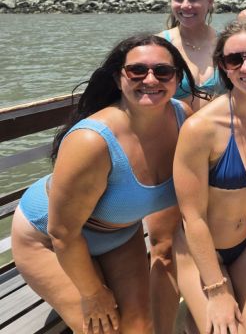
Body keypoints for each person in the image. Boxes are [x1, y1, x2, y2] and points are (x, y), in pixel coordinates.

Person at [11, 34, 195, 333]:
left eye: (163, 71)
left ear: (177, 79)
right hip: (49, 237)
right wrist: (93, 293)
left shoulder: (181, 116)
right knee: (101, 329)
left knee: (139, 326)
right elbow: (63, 234)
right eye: (137, 70)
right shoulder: (91, 140)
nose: (150, 79)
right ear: (118, 77)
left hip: (118, 233)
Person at [172, 19, 246, 334]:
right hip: (199, 250)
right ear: (223, 68)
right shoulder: (201, 129)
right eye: (233, 59)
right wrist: (217, 290)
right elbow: (192, 218)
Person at [153, 0, 223, 331]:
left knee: (210, 246)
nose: (186, 4)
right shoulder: (158, 46)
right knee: (163, 251)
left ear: (210, 1)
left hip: (215, 165)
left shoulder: (226, 44)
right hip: (165, 162)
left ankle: (204, 321)